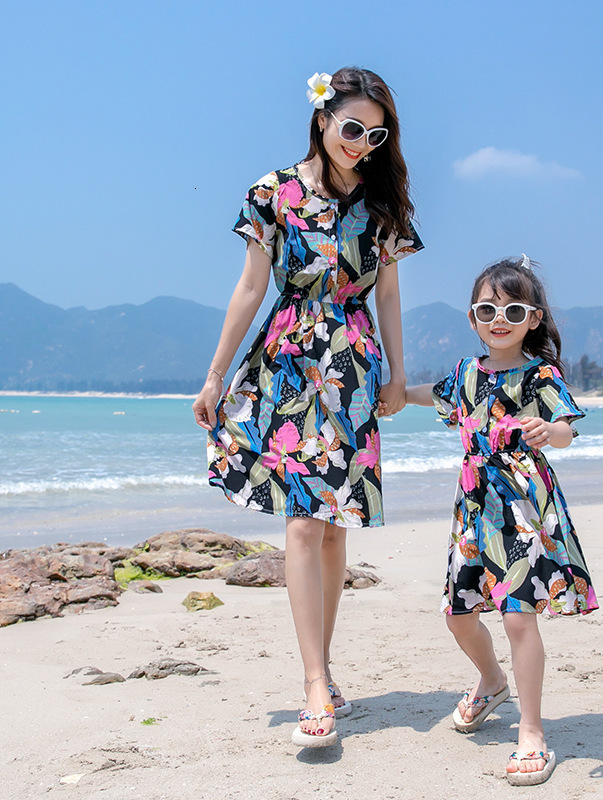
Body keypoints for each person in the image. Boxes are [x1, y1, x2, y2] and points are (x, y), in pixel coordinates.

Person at [192, 67, 423, 748]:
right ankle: (315, 681)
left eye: (376, 135)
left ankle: (324, 670)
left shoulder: (384, 205)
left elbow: (386, 297)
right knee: (300, 523)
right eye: (353, 128)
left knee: (332, 527)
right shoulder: (272, 193)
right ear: (322, 118)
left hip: (353, 366)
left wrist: (398, 377)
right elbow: (249, 289)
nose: (363, 143)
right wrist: (214, 377)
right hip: (290, 364)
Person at [392, 255, 597, 785]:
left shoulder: (540, 374)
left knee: (516, 615)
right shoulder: (465, 374)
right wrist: (389, 396)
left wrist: (547, 432)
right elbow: (423, 396)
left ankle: (531, 731)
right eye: (487, 308)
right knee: (458, 614)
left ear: (533, 318)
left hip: (524, 508)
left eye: (512, 308)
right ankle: (490, 681)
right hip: (474, 510)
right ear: (472, 318)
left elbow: (567, 429)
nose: (498, 317)